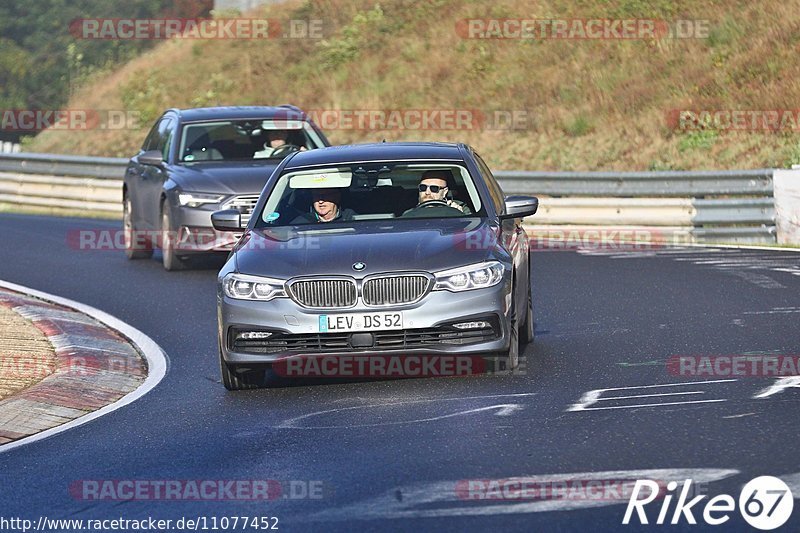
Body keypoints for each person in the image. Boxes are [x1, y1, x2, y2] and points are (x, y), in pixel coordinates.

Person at [402, 170, 471, 216]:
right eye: (423, 187)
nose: (427, 192)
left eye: (434, 188)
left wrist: (459, 214)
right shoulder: (409, 214)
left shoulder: (460, 208)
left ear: (445, 192)